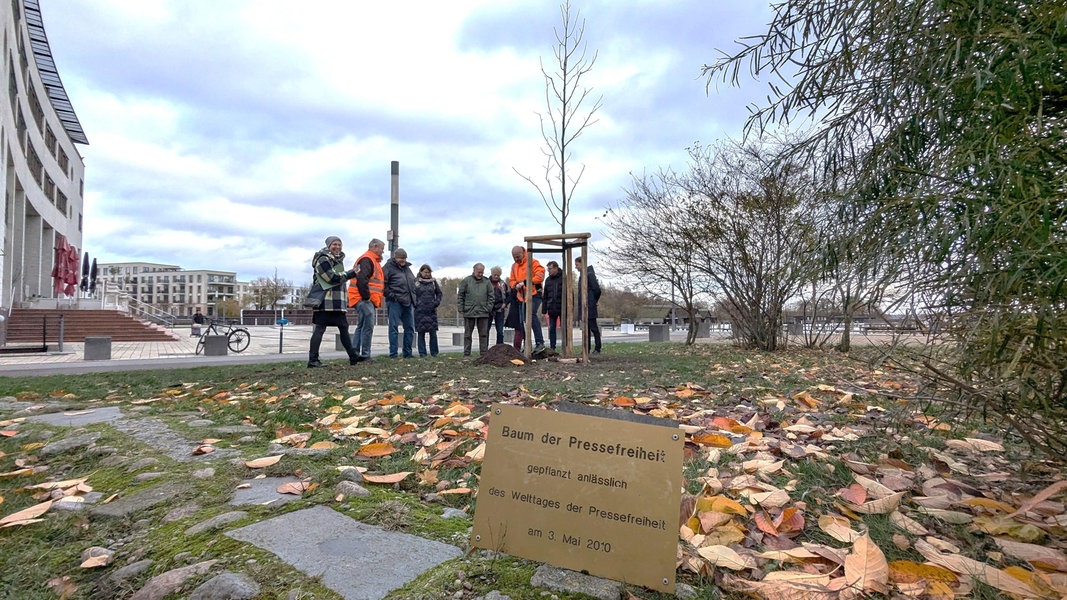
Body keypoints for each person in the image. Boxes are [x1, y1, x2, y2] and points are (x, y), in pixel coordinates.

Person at [307, 236, 359, 368]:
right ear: (328, 246)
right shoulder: (322, 259)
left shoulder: (336, 260)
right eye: (334, 244)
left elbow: (338, 278)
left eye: (339, 244)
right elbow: (331, 278)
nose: (337, 247)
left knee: (343, 328)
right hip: (325, 300)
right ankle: (313, 360)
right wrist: (351, 274)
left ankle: (353, 357)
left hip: (337, 301)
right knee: (320, 329)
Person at [348, 238, 386, 362]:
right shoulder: (368, 260)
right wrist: (367, 297)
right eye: (381, 248)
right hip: (364, 299)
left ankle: (355, 352)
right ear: (374, 247)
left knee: (362, 325)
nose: (383, 251)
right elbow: (362, 280)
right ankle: (365, 354)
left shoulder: (369, 260)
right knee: (367, 326)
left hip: (361, 299)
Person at [509, 245, 545, 353]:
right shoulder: (514, 266)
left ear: (523, 253)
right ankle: (527, 344)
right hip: (522, 297)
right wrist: (515, 285)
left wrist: (525, 282)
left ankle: (540, 342)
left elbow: (540, 276)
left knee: (531, 315)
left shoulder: (533, 262)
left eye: (518, 256)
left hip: (534, 294)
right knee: (522, 321)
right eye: (514, 257)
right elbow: (511, 280)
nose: (516, 259)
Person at [383, 248, 417, 358]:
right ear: (395, 257)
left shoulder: (408, 269)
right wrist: (392, 296)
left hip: (408, 302)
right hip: (395, 302)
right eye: (401, 258)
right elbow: (383, 284)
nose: (403, 260)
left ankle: (408, 353)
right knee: (393, 328)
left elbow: (413, 283)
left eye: (404, 258)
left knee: (410, 328)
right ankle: (393, 353)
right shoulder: (387, 268)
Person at [457, 262, 494, 356]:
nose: (480, 274)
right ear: (474, 270)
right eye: (479, 272)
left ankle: (484, 354)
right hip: (469, 312)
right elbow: (460, 295)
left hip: (483, 312)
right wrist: (461, 308)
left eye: (482, 272)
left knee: (483, 334)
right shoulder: (466, 281)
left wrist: (488, 308)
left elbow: (491, 296)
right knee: (467, 335)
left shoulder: (487, 282)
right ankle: (466, 353)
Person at [413, 263, 442, 357]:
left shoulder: (433, 282)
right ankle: (422, 353)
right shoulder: (416, 282)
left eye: (428, 272)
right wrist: (416, 304)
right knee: (421, 333)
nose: (427, 274)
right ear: (421, 272)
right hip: (419, 311)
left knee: (433, 333)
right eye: (425, 272)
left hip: (431, 311)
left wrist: (436, 302)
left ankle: (434, 353)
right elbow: (412, 294)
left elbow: (439, 293)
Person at [575, 255, 603, 354]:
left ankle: (597, 348)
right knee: (586, 328)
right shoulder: (583, 275)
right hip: (585, 305)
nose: (576, 267)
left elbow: (597, 290)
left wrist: (593, 300)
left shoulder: (589, 274)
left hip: (589, 305)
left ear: (582, 264)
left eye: (577, 265)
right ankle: (586, 348)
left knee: (593, 328)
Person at [541, 260, 564, 351]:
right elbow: (545, 295)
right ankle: (552, 347)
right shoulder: (548, 280)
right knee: (551, 329)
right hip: (551, 308)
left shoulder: (564, 278)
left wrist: (570, 307)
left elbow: (570, 293)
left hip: (562, 308)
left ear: (556, 268)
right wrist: (544, 309)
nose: (548, 271)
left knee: (564, 328)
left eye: (550, 269)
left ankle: (565, 346)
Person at [488, 266, 510, 345]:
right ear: (492, 274)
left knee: (500, 331)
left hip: (500, 309)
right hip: (489, 309)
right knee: (486, 330)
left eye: (498, 275)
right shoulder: (486, 283)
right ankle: (484, 350)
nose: (496, 276)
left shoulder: (503, 284)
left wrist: (505, 304)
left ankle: (499, 347)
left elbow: (508, 296)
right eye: (495, 275)